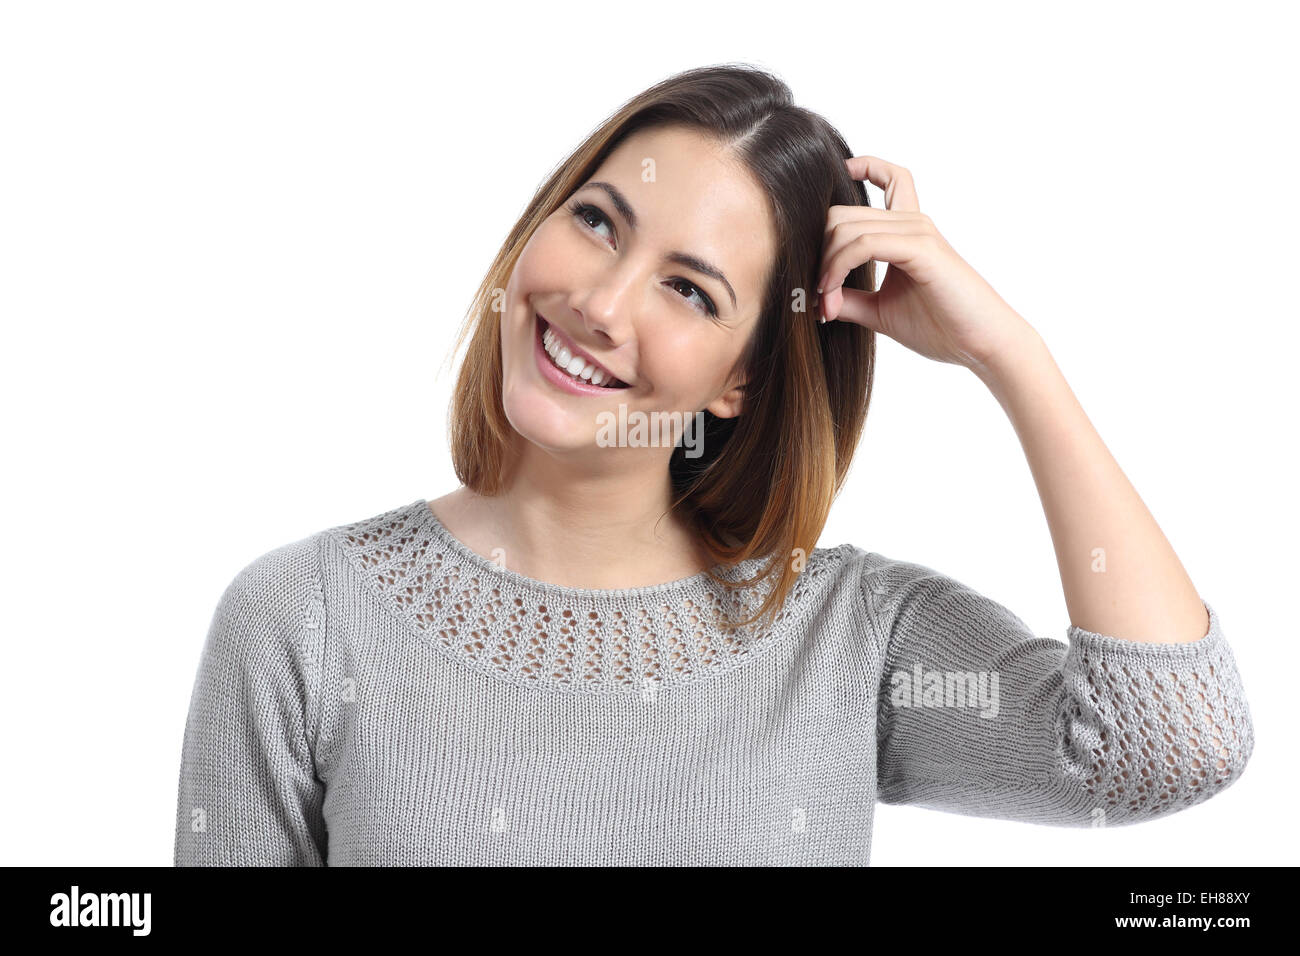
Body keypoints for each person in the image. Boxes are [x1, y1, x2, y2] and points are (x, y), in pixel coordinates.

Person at [173, 63, 1254, 866]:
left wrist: (1007, 351)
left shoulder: (844, 634)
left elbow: (1171, 746)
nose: (598, 305)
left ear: (742, 379)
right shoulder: (301, 617)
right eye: (597, 222)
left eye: (689, 289)